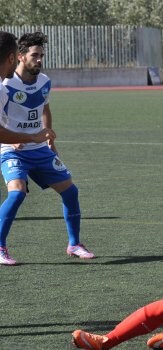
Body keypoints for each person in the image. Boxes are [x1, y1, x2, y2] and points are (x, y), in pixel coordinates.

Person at [0, 32, 94, 266]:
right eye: (34, 55)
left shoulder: (44, 81)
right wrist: (13, 139)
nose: (39, 59)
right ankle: (0, 246)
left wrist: (49, 137)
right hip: (13, 149)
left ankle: (74, 244)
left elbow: (44, 108)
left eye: (41, 55)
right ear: (18, 57)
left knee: (71, 191)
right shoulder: (5, 84)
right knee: (17, 192)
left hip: (39, 148)